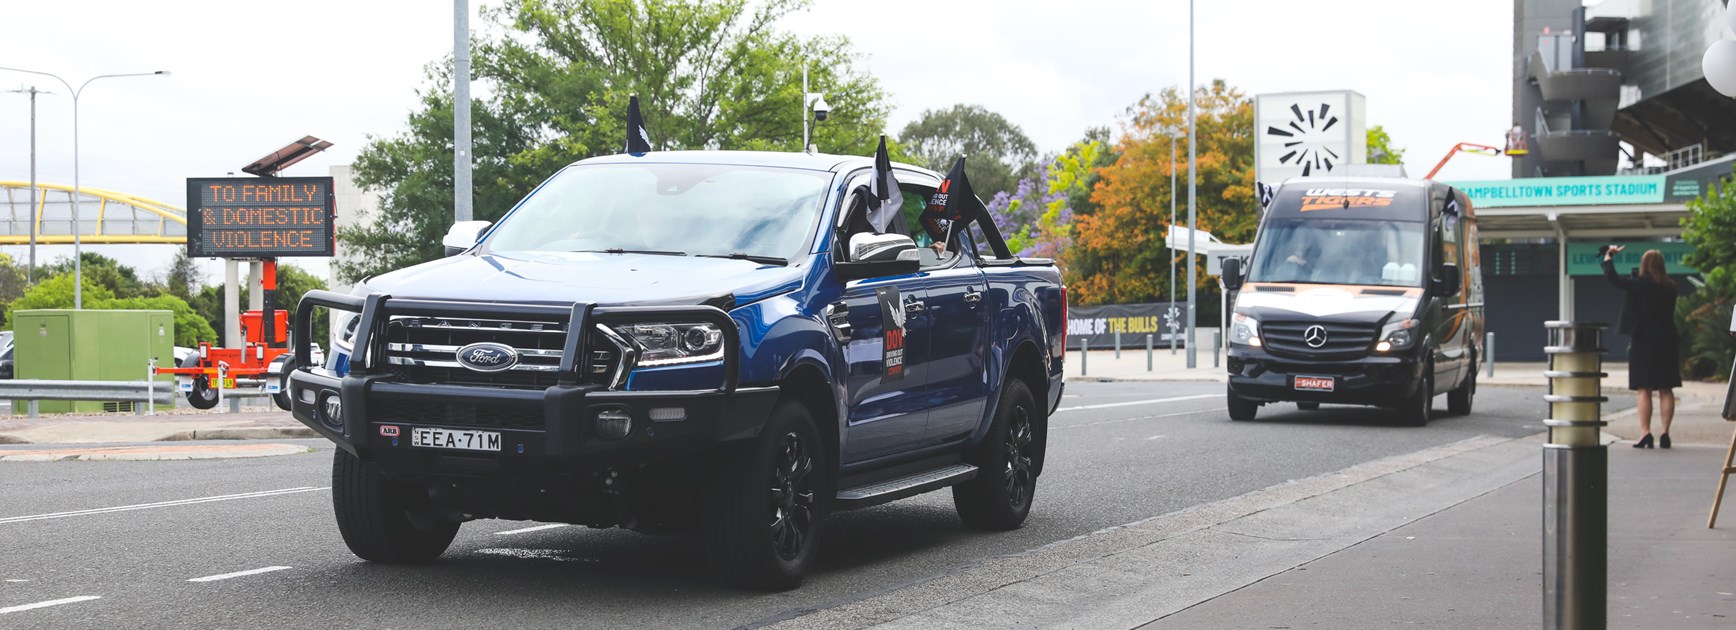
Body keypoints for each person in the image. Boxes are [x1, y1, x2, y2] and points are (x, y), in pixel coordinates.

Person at [1602, 245, 1683, 448]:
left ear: (1644, 265)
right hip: (1667, 340)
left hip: (1643, 341)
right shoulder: (1670, 287)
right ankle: (1665, 433)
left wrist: (1608, 257)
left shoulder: (1640, 284)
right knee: (1666, 388)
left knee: (1644, 388)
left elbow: (1614, 279)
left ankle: (1645, 432)